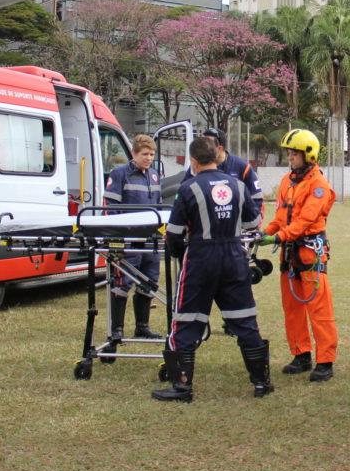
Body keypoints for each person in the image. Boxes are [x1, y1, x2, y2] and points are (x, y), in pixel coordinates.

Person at [152, 136, 273, 402]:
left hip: (200, 260)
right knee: (245, 320)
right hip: (234, 258)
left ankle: (182, 387)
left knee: (185, 321)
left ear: (193, 161)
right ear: (217, 155)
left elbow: (172, 234)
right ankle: (262, 382)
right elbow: (253, 222)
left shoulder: (188, 188)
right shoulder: (238, 186)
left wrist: (179, 253)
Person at [258, 129, 338, 382]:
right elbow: (281, 217)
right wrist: (266, 232)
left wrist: (279, 237)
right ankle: (301, 353)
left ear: (309, 155)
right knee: (292, 308)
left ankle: (325, 360)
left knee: (319, 308)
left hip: (310, 252)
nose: (290, 157)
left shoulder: (319, 186)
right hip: (289, 253)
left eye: (294, 153)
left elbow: (305, 220)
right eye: (289, 153)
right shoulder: (287, 182)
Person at [184, 128, 264, 335]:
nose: (205, 149)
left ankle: (233, 321)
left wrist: (248, 229)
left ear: (220, 147)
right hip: (205, 239)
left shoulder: (241, 168)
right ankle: (201, 323)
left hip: (234, 237)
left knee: (236, 282)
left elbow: (255, 202)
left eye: (209, 144)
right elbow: (184, 196)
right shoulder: (195, 168)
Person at [104, 134, 163, 341]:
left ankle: (142, 327)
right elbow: (111, 209)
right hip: (128, 239)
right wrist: (119, 237)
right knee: (123, 283)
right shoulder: (119, 174)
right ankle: (117, 329)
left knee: (149, 281)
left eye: (152, 154)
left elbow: (158, 206)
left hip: (150, 239)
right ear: (134, 154)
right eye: (145, 154)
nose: (149, 158)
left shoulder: (154, 176)